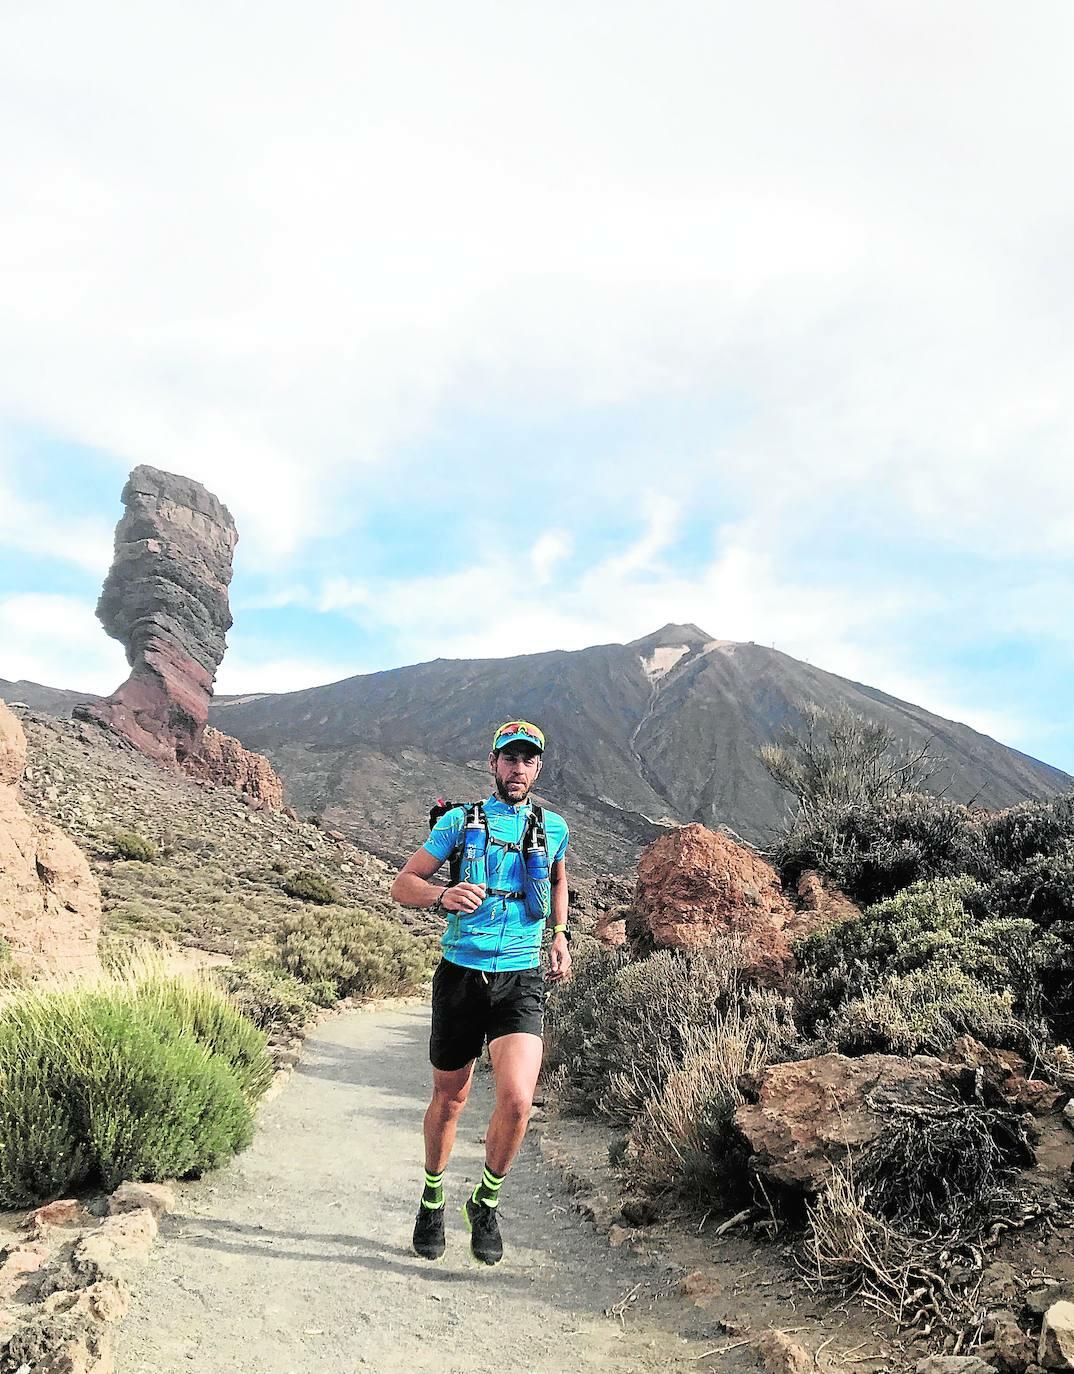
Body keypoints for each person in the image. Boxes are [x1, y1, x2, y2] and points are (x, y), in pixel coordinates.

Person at [390, 719, 572, 1265]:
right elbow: (403, 885)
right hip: (461, 975)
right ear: (493, 764)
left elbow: (558, 880)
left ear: (538, 768)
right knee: (451, 1098)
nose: (518, 768)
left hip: (519, 976)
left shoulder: (554, 827)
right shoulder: (456, 822)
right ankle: (431, 1198)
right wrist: (443, 895)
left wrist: (560, 935)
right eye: (509, 758)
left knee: (518, 1100)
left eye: (528, 760)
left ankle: (486, 1202)